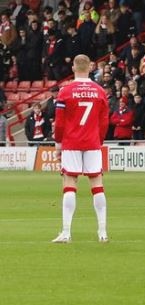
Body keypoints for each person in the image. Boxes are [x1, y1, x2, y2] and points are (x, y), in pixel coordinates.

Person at [52, 54, 110, 243]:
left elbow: (59, 122)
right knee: (97, 186)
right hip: (92, 142)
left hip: (71, 142)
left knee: (70, 185)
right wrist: (99, 140)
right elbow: (104, 121)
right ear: (90, 68)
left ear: (73, 68)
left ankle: (67, 232)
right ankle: (102, 232)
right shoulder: (99, 91)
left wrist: (58, 143)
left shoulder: (65, 91)